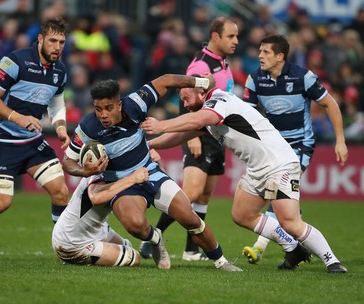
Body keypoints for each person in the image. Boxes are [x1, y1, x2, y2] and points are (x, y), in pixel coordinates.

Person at [140, 83, 348, 273]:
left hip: (279, 164)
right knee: (242, 214)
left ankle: (332, 261)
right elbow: (183, 134)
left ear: (202, 93)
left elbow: (199, 120)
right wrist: (151, 144)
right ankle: (293, 249)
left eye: (187, 99)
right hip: (258, 169)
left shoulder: (219, 101)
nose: (184, 104)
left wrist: (162, 124)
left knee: (290, 222)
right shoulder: (207, 111)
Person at [61, 73, 242, 272]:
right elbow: (67, 162)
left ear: (119, 105)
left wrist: (203, 83)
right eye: (98, 109)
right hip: (123, 185)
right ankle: (154, 239)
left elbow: (168, 80)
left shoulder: (135, 104)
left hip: (151, 171)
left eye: (108, 108)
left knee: (189, 218)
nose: (103, 115)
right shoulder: (87, 127)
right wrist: (84, 171)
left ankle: (221, 261)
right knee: (135, 224)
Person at [241, 34, 348, 264]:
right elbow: (245, 117)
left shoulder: (303, 77)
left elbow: (330, 104)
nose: (260, 55)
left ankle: (262, 247)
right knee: (287, 201)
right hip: (273, 148)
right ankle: (294, 252)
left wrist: (340, 140)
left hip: (300, 146)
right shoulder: (255, 80)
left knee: (279, 190)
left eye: (266, 52)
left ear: (280, 56)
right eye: (259, 51)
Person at [139, 17, 239, 261]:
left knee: (204, 196)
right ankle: (152, 239)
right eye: (230, 36)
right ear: (216, 37)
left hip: (216, 133)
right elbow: (187, 97)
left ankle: (192, 250)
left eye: (236, 36)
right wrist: (190, 138)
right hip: (199, 134)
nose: (236, 41)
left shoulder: (221, 61)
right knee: (191, 193)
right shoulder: (200, 66)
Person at [0, 18, 70, 230]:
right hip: (1, 140)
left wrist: (60, 127)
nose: (57, 47)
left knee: (61, 192)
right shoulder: (14, 61)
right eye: (52, 41)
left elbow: (57, 104)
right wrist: (18, 117)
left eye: (61, 42)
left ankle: (65, 247)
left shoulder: (60, 71)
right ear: (40, 39)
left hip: (31, 142)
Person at [52, 167, 149, 267]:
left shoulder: (120, 172)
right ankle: (76, 259)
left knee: (127, 245)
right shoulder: (100, 173)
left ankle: (93, 257)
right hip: (72, 242)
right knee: (133, 257)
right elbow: (96, 197)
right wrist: (132, 178)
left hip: (95, 229)